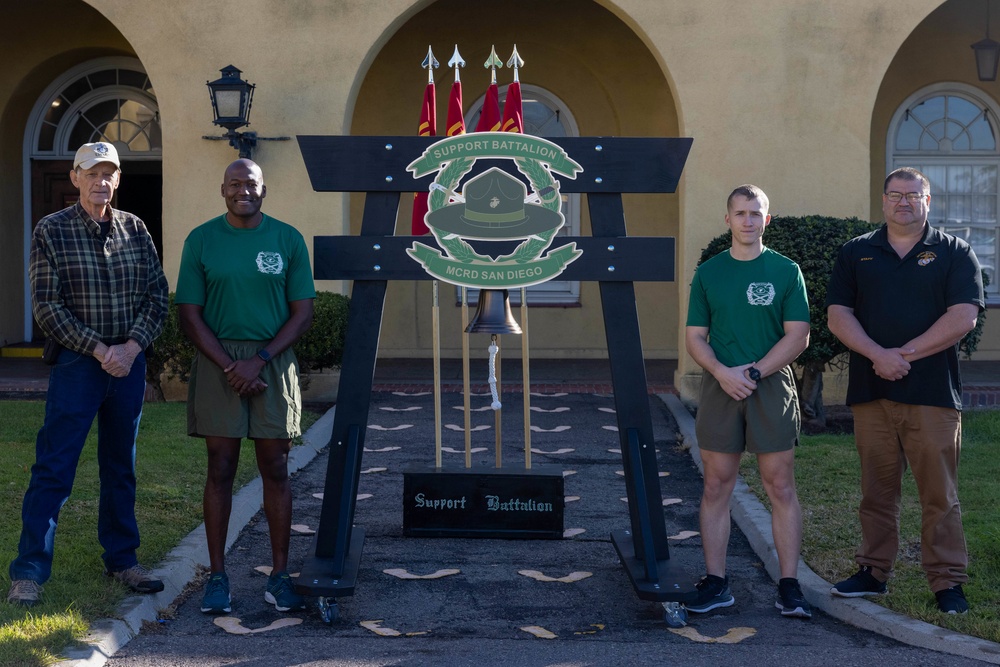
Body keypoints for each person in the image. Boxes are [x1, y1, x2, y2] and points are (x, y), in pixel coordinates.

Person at [7, 142, 169, 607]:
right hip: (80, 363)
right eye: (91, 172)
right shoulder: (51, 231)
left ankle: (123, 560)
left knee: (121, 467)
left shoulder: (135, 229)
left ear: (118, 179)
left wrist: (131, 347)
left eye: (109, 173)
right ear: (75, 177)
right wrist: (101, 350)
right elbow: (46, 306)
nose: (101, 181)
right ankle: (30, 571)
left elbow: (157, 296)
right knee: (54, 467)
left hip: (129, 363)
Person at [826, 167, 983, 615]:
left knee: (939, 494)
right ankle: (873, 572)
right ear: (883, 201)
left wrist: (902, 356)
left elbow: (963, 317)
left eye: (913, 196)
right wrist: (878, 354)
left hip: (932, 395)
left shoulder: (954, 253)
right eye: (895, 195)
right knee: (876, 490)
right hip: (872, 393)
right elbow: (839, 314)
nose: (904, 202)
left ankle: (947, 581)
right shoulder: (857, 252)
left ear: (928, 202)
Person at [176, 158, 315, 614]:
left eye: (250, 184)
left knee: (275, 467)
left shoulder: (287, 238)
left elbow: (302, 313)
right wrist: (232, 366)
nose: (243, 190)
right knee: (220, 465)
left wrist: (257, 361)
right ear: (222, 190)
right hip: (220, 365)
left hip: (271, 361)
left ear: (263, 190)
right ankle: (218, 577)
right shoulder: (201, 239)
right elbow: (190, 314)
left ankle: (279, 576)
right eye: (234, 183)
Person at [684, 184, 812, 619]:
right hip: (721, 386)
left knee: (779, 485)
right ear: (728, 220)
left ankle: (790, 586)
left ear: (766, 220)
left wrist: (755, 372)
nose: (748, 220)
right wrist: (723, 373)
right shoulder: (710, 273)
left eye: (755, 213)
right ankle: (717, 583)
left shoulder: (785, 270)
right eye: (740, 213)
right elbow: (695, 338)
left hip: (769, 385)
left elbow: (798, 335)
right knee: (716, 485)